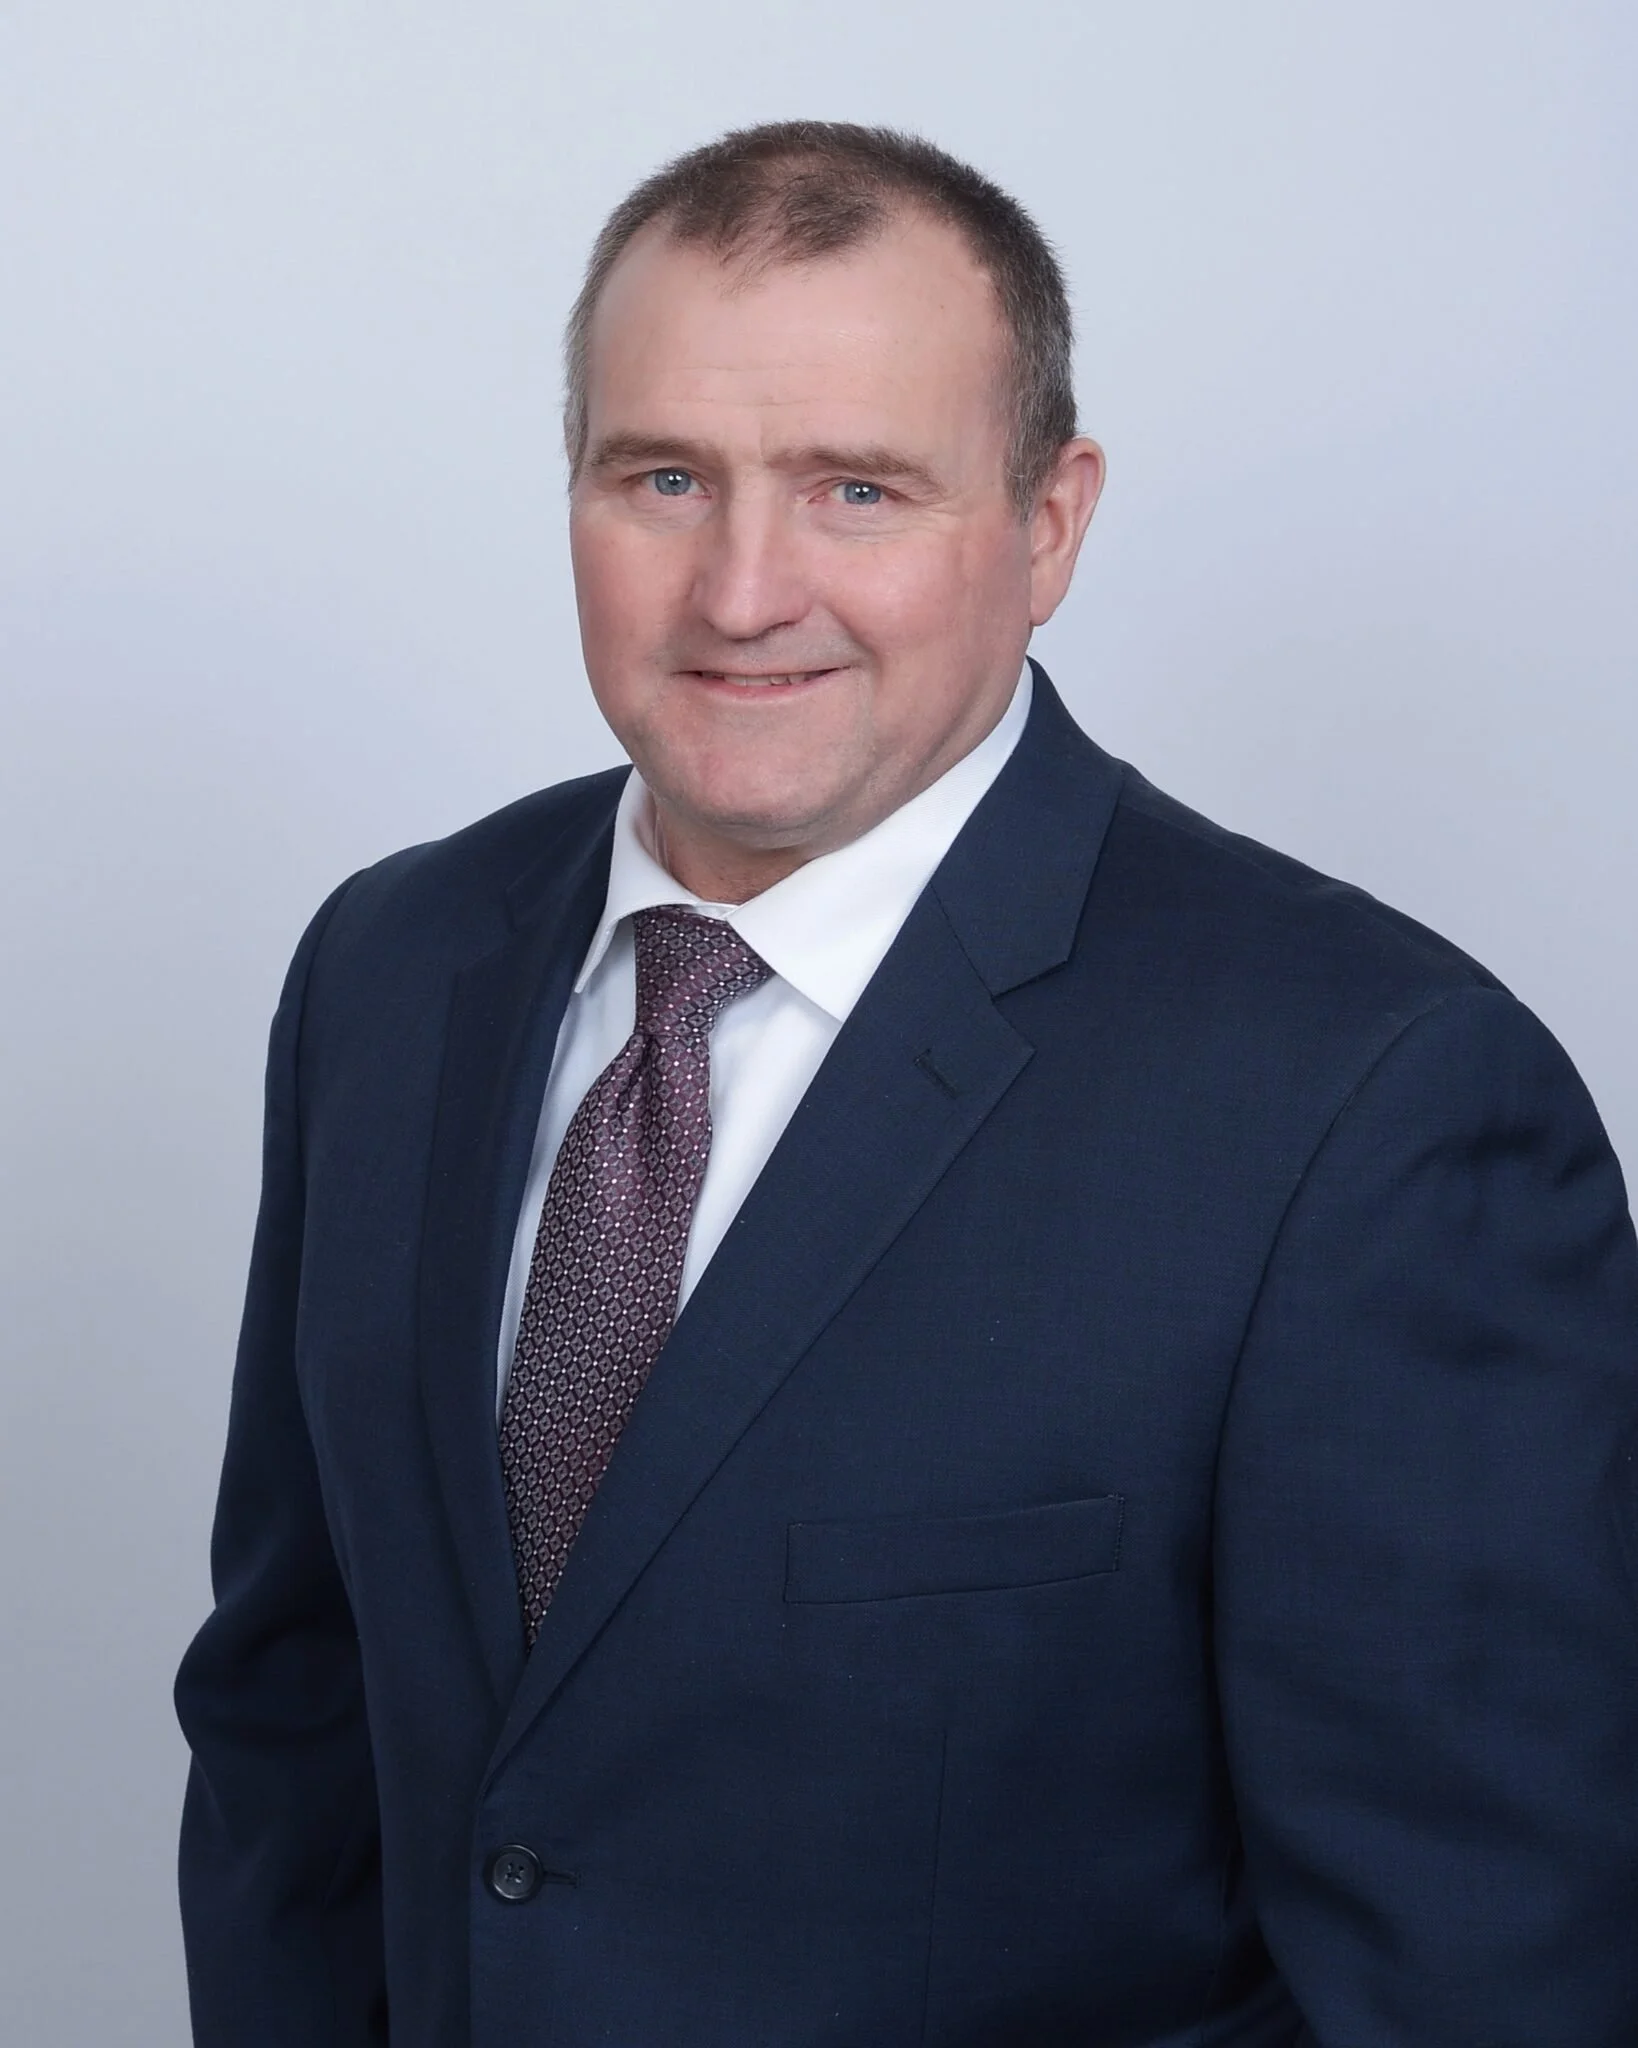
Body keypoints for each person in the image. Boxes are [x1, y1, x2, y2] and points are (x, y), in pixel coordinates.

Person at [174, 121, 1638, 2047]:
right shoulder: (390, 968)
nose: (740, 589)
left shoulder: (1369, 1101)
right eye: (664, 477)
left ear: (1048, 523)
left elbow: (1474, 1977)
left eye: (857, 489)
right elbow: (297, 1726)